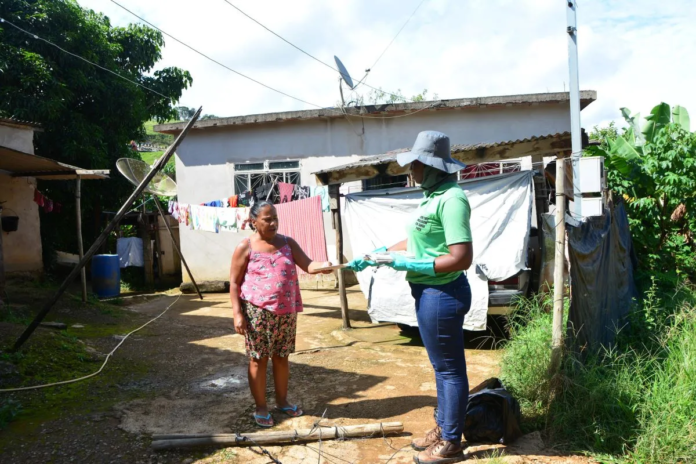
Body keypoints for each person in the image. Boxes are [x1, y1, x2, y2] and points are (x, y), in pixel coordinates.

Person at [350, 131, 474, 463]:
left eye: (416, 164)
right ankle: (445, 426)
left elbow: (461, 257)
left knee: (449, 369)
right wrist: (380, 254)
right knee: (441, 366)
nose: (411, 170)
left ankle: (451, 443)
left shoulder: (452, 199)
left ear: (433, 166)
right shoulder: (432, 197)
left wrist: (411, 263)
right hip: (427, 291)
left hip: (443, 292)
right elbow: (417, 242)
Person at [230, 200, 332, 427]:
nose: (273, 222)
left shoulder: (288, 243)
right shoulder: (245, 246)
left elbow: (308, 265)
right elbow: (234, 283)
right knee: (258, 359)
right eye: (267, 219)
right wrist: (238, 314)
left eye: (275, 217)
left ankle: (282, 401)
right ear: (253, 222)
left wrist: (324, 265)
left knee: (281, 357)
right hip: (257, 312)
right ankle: (261, 407)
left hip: (286, 312)